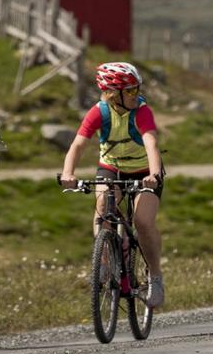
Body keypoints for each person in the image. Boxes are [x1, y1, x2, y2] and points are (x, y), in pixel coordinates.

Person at [60, 61, 165, 308]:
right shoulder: (99, 112)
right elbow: (77, 145)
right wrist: (68, 172)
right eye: (129, 91)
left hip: (144, 171)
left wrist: (154, 174)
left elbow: (151, 144)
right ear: (112, 93)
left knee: (143, 221)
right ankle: (105, 264)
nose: (135, 95)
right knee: (103, 209)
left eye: (136, 89)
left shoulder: (142, 111)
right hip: (111, 169)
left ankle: (155, 277)